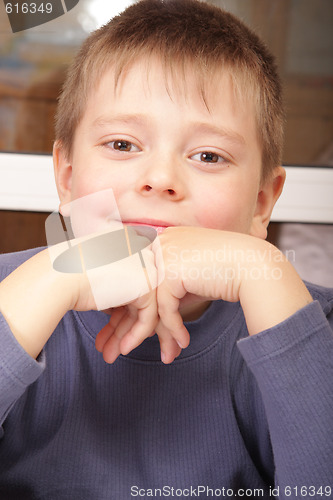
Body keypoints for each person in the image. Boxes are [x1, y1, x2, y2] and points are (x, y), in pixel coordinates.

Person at [0, 0, 332, 497]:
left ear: (262, 203)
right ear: (67, 178)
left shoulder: (308, 327)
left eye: (208, 155)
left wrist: (264, 270)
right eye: (122, 145)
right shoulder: (11, 294)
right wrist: (52, 276)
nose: (160, 180)